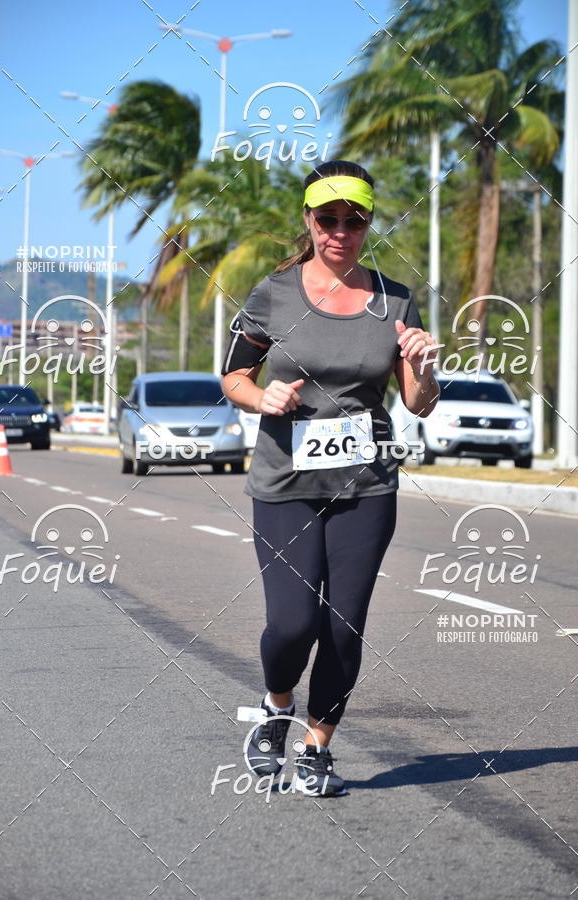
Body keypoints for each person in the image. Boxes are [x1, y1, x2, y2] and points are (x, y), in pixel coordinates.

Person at [220, 160, 439, 797]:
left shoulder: (395, 299)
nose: (340, 231)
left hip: (366, 485)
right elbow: (233, 376)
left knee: (343, 625)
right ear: (309, 220)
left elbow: (419, 403)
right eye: (328, 219)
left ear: (369, 223)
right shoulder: (274, 293)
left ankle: (317, 748)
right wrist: (262, 399)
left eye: (354, 220)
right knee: (293, 624)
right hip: (285, 483)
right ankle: (277, 706)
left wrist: (424, 366)